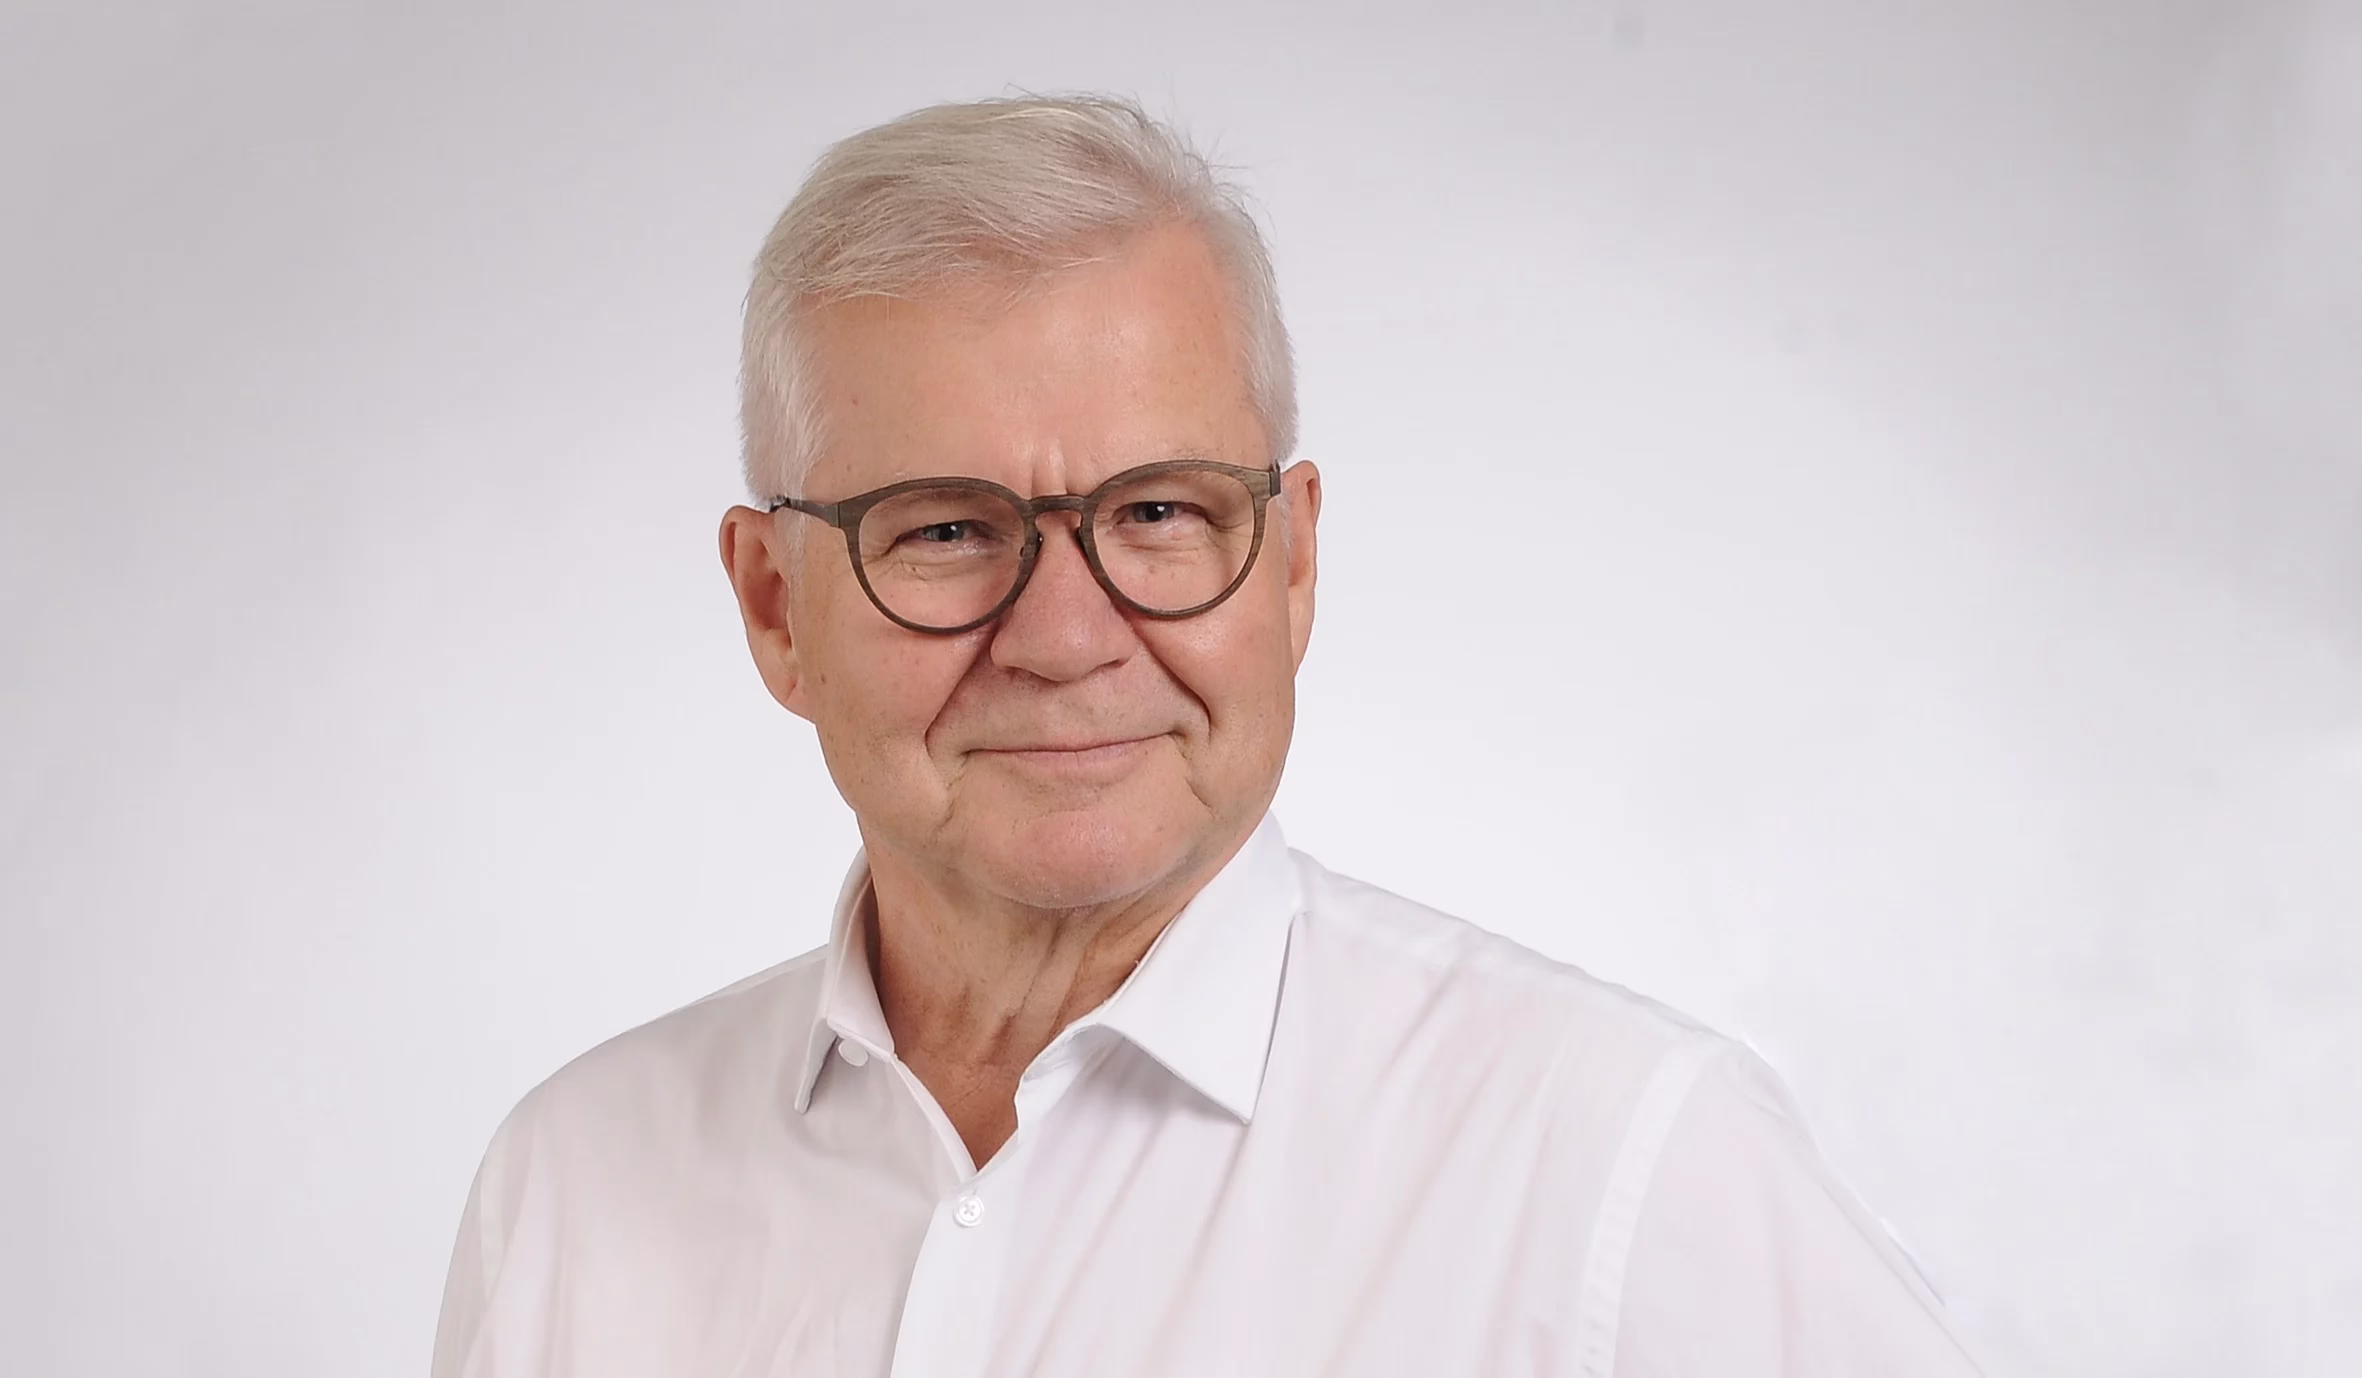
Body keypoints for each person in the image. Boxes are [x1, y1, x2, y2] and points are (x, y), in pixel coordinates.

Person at [430, 93, 1984, 1378]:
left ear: (1291, 562)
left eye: (1158, 513)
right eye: (947, 528)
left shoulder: (1621, 1162)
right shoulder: (576, 1183)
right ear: (776, 607)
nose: (1063, 636)